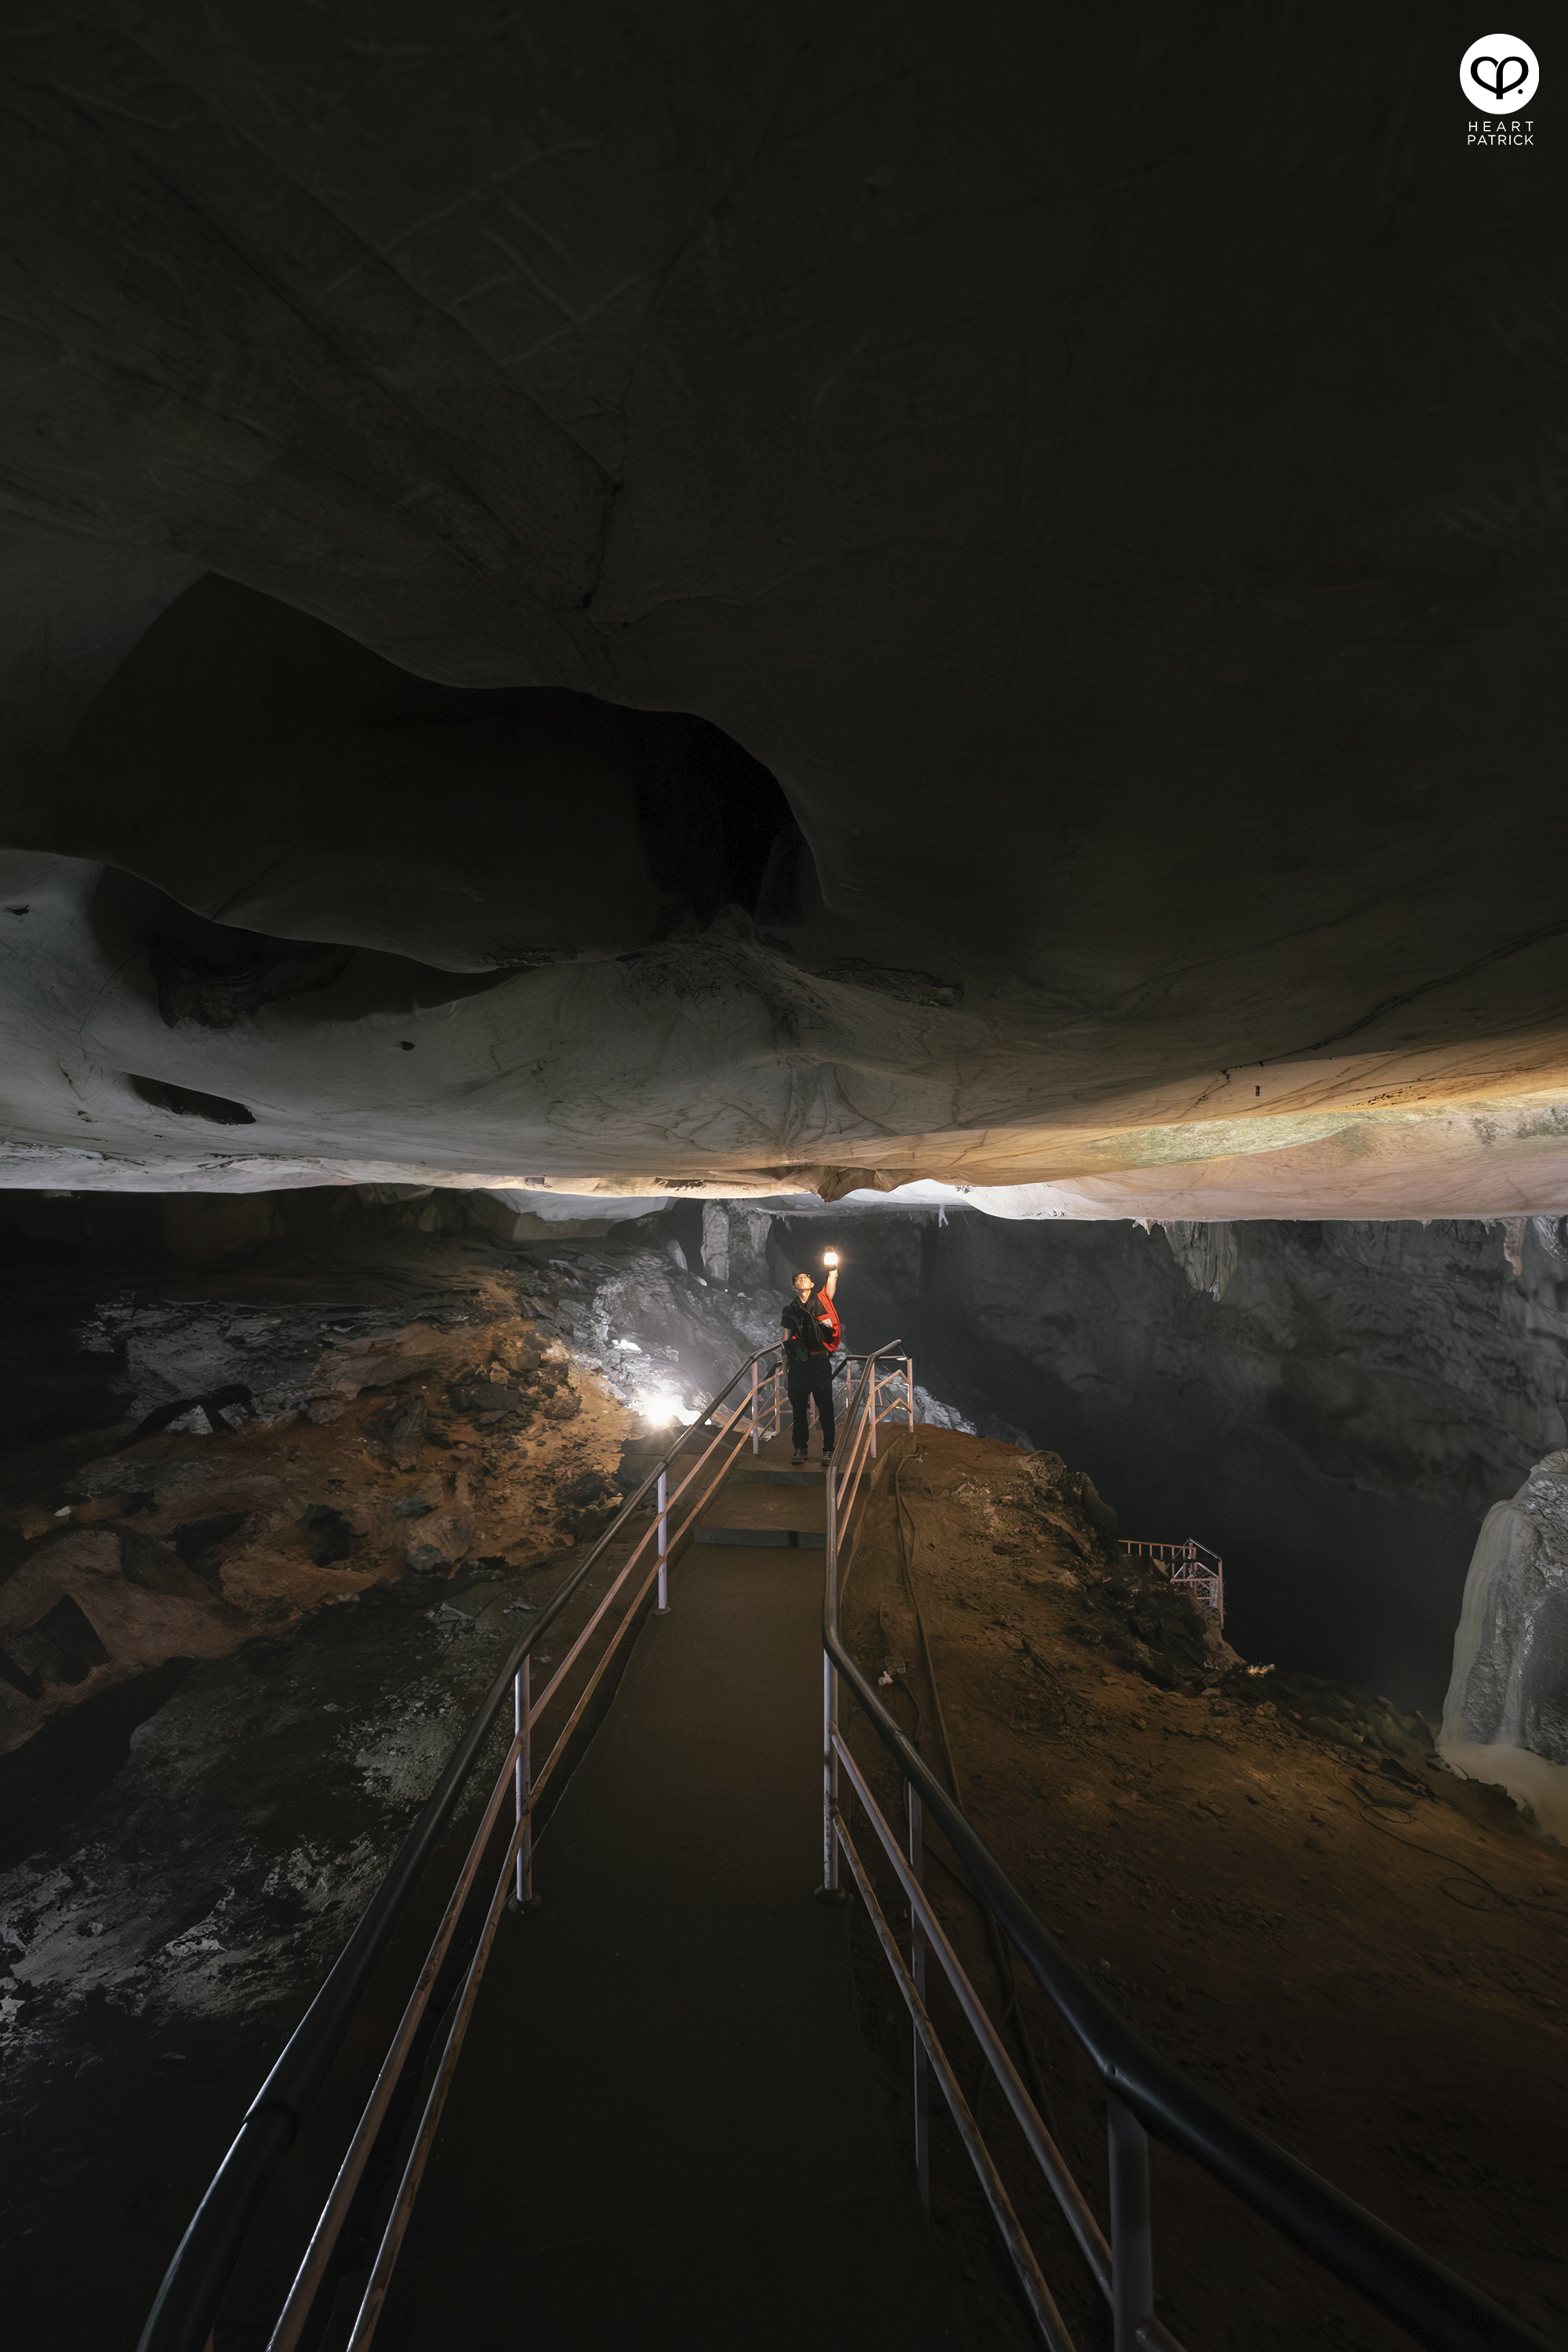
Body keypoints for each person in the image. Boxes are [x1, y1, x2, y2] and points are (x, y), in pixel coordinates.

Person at [781, 1259, 840, 1465]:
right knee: (799, 1410)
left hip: (819, 1362)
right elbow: (785, 1341)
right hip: (798, 1365)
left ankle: (828, 1449)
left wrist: (832, 1267)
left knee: (826, 1408)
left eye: (805, 1277)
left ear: (812, 1283)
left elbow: (832, 1278)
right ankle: (800, 1448)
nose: (802, 1279)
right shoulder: (789, 1310)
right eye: (798, 1278)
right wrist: (785, 1371)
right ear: (794, 1286)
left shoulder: (823, 1299)